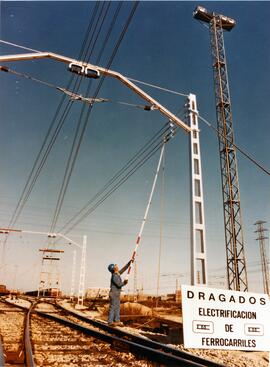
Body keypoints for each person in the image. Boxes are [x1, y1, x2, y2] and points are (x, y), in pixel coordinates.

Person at [107, 260, 132, 326]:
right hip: (114, 293)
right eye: (115, 266)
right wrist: (124, 283)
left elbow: (123, 269)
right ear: (114, 269)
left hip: (116, 293)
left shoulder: (117, 274)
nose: (117, 266)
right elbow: (119, 284)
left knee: (117, 307)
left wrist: (129, 263)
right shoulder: (114, 276)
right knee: (113, 307)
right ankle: (110, 322)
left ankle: (117, 320)